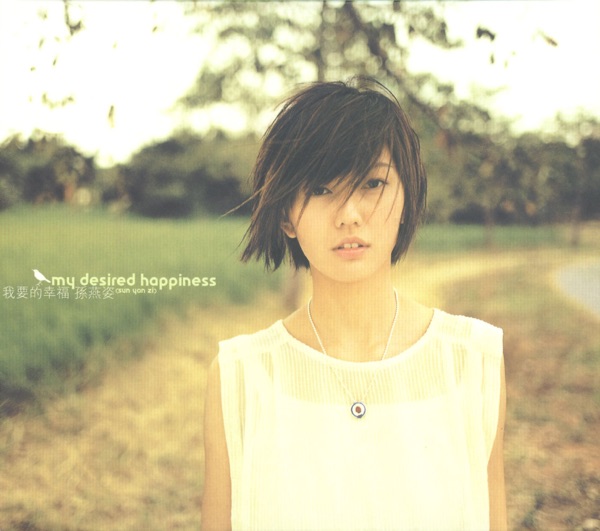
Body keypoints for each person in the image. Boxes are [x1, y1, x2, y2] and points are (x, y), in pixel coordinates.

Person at [202, 78, 507, 531]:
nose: (349, 214)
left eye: (371, 183)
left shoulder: (471, 360)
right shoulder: (240, 377)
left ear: (406, 198)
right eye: (320, 189)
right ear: (286, 215)